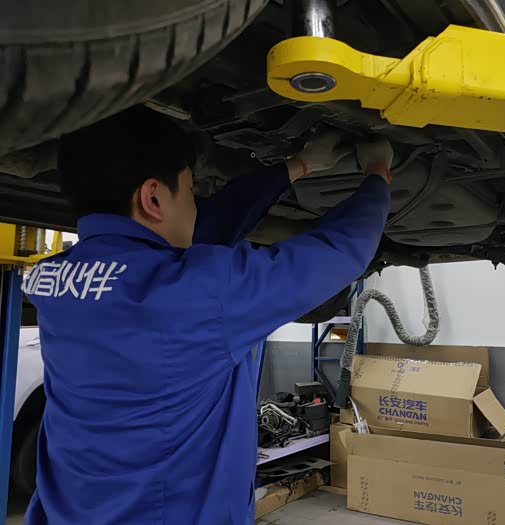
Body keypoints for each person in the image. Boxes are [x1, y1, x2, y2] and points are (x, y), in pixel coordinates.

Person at [23, 106, 393, 525]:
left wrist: (298, 165)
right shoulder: (196, 294)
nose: (196, 206)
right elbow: (340, 251)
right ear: (153, 198)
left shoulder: (54, 278)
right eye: (191, 190)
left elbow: (203, 235)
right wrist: (377, 173)